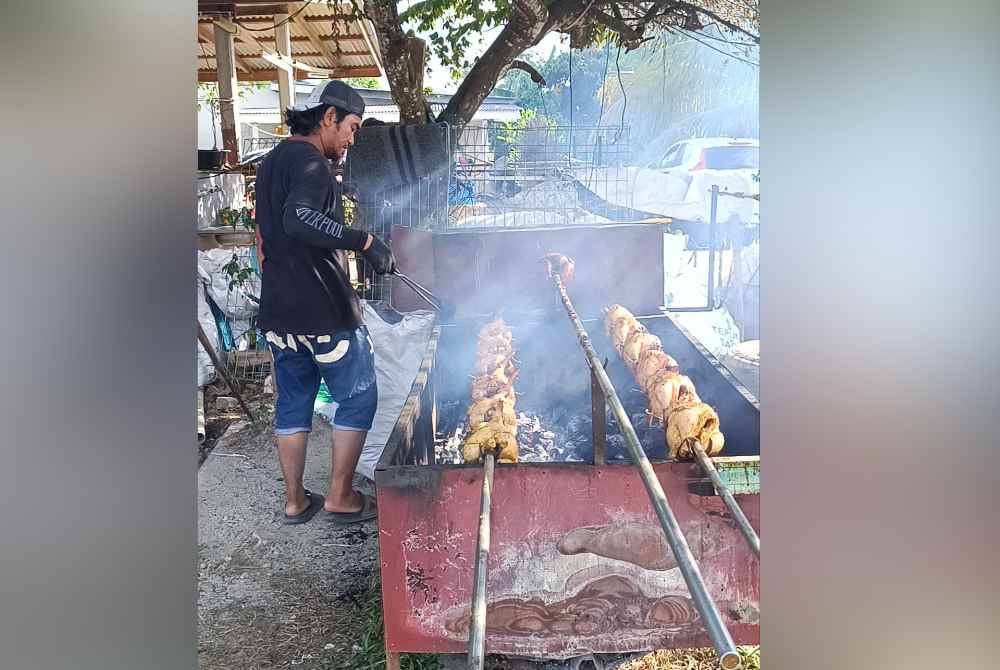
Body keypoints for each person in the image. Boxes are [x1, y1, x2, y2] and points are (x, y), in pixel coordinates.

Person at [254, 80, 396, 525]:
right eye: (352, 127)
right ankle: (340, 496)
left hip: (280, 313)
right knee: (359, 397)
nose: (352, 139)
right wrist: (364, 241)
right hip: (324, 312)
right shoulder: (311, 163)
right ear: (329, 117)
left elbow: (264, 237)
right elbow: (299, 219)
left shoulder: (271, 162)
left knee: (293, 401)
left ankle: (295, 501)